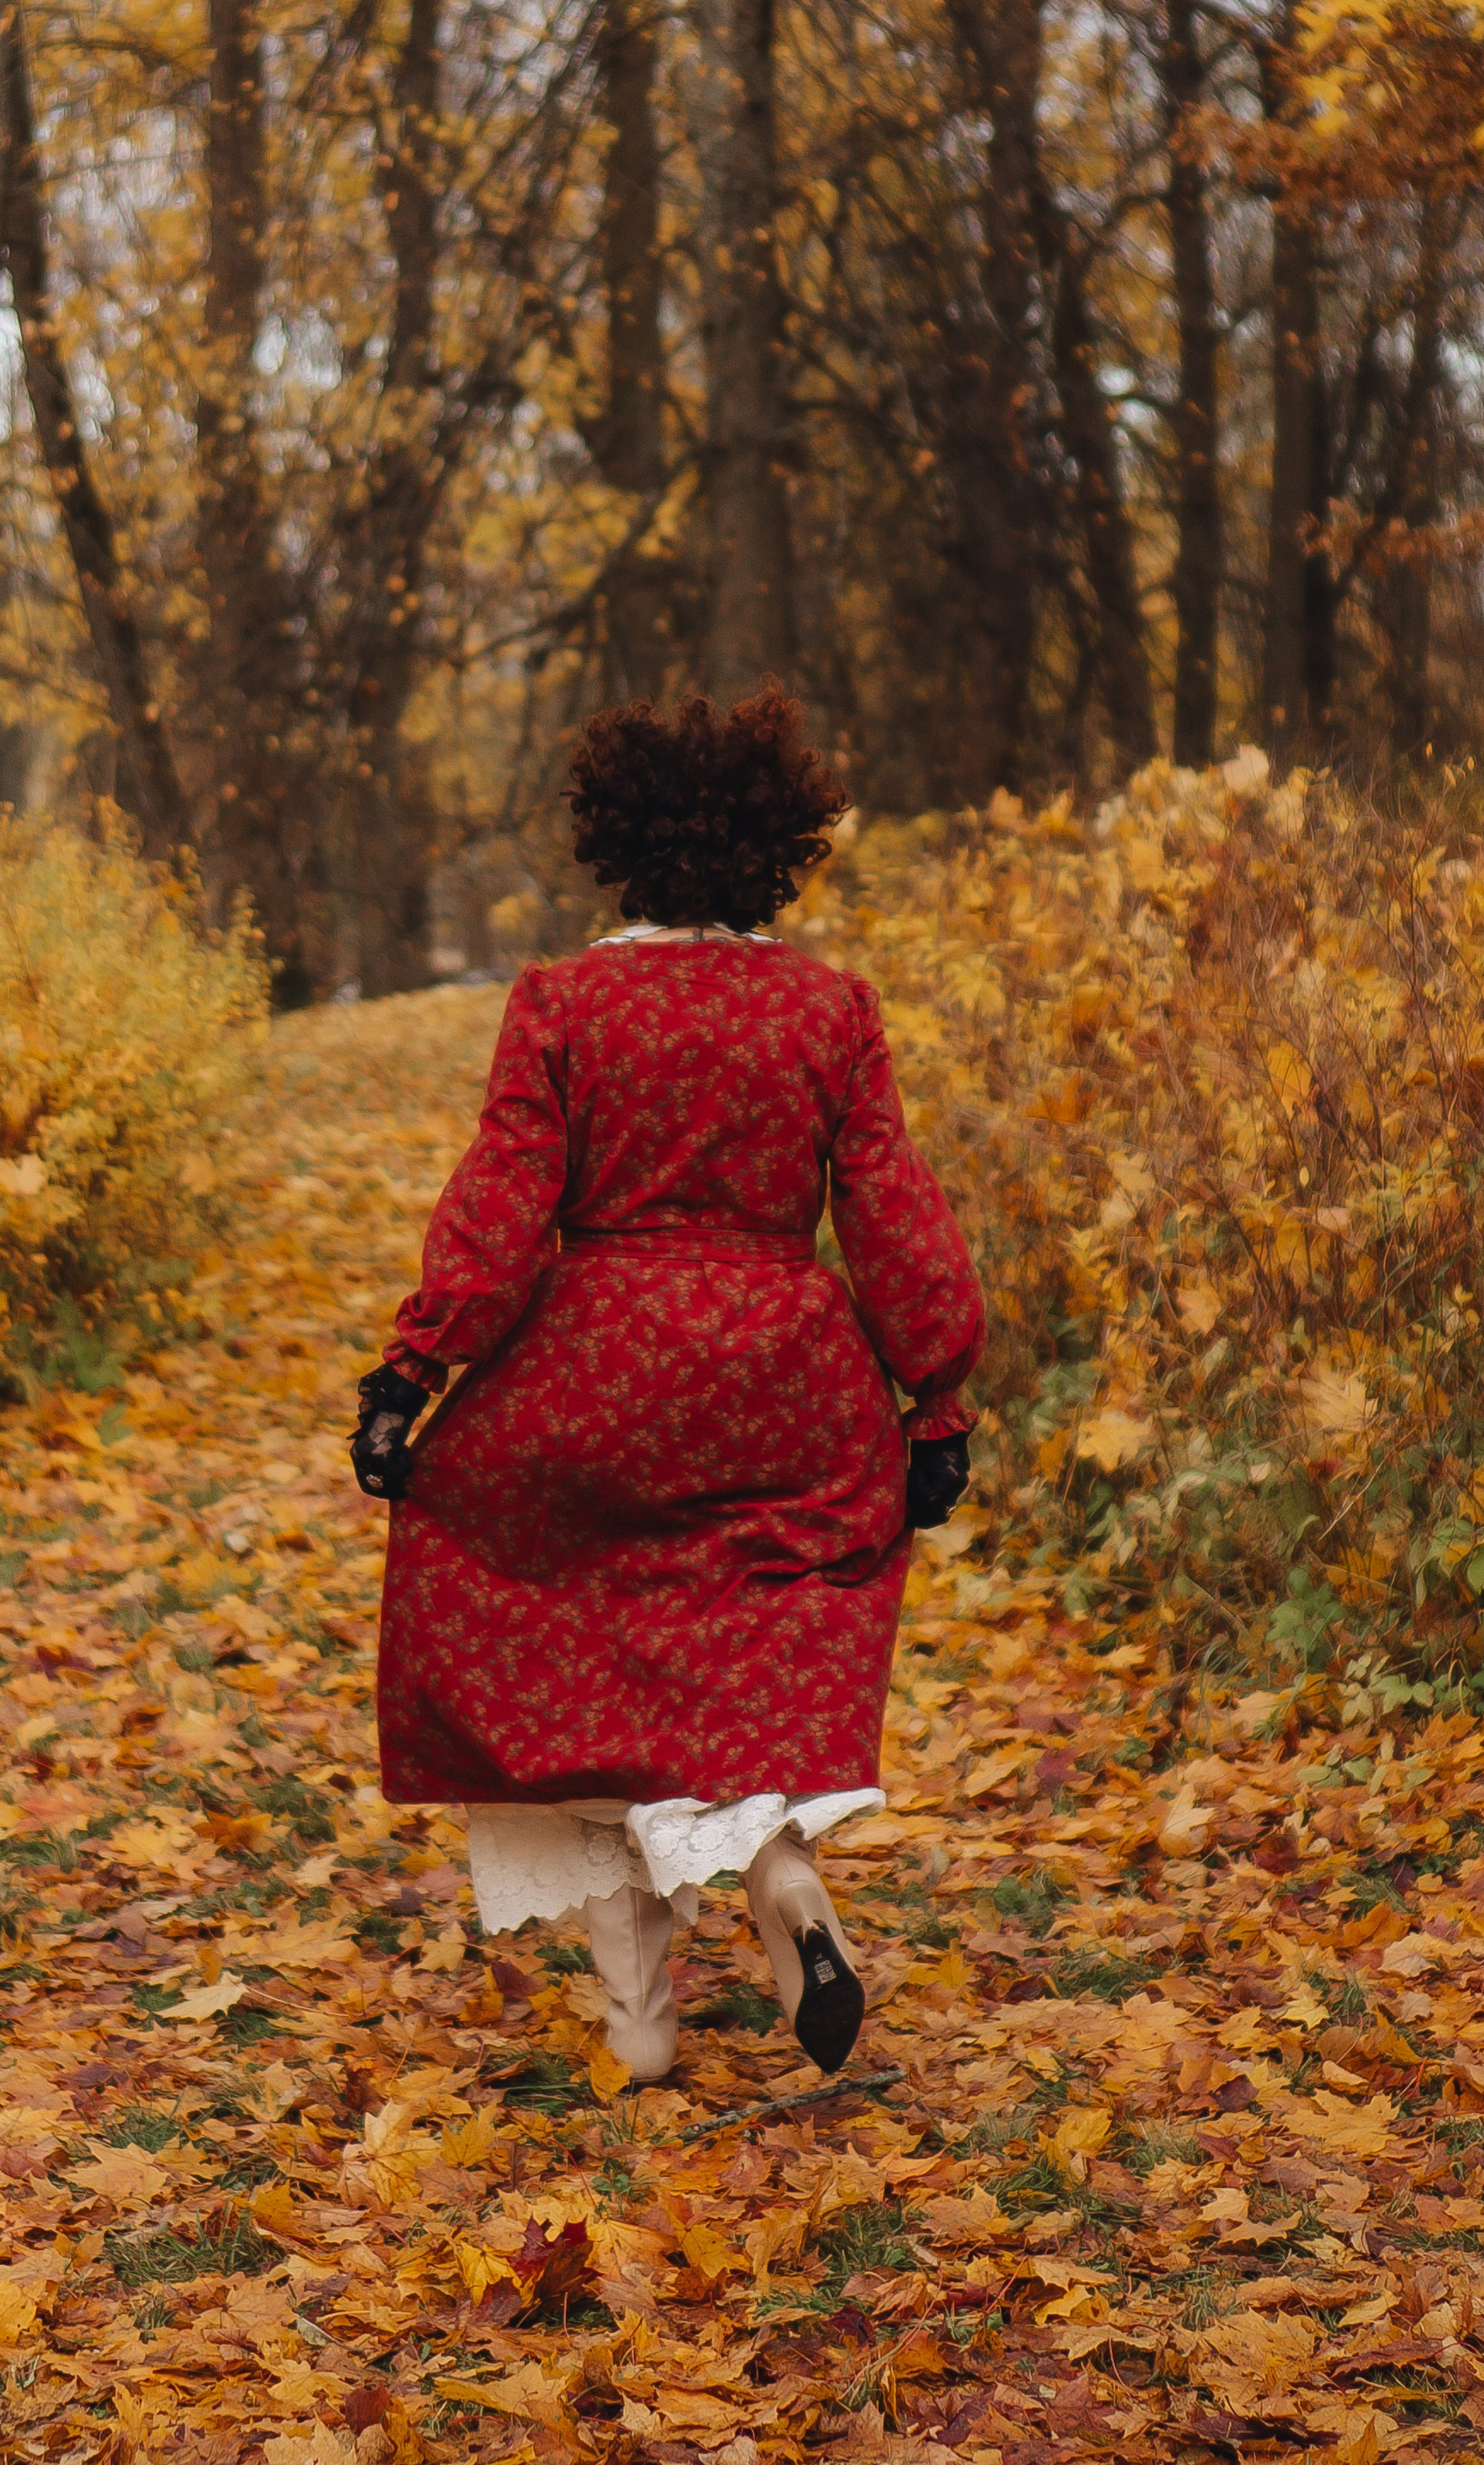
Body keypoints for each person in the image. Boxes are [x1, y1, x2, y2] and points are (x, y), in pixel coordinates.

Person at [349, 687, 983, 2083]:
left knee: (580, 1662)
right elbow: (890, 1212)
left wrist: (413, 1370)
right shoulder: (830, 1009)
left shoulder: (564, 1005)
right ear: (780, 846)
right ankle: (777, 1874)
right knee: (732, 1662)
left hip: (593, 1377)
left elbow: (505, 1212)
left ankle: (640, 2027)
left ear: (615, 841)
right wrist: (935, 1396)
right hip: (786, 1378)